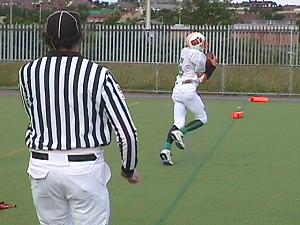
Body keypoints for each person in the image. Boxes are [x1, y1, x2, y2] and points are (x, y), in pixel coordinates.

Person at [19, 11, 142, 225]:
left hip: (42, 168)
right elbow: (126, 132)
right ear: (81, 36)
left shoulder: (27, 72)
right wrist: (128, 169)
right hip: (85, 167)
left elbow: (33, 112)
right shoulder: (98, 74)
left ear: (46, 37)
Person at [160, 32, 218, 166]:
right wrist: (212, 68)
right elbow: (202, 78)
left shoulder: (184, 51)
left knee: (178, 122)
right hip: (188, 90)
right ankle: (181, 133)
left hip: (177, 89)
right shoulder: (198, 55)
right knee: (202, 118)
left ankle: (166, 149)